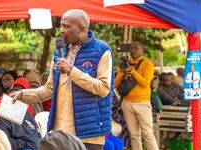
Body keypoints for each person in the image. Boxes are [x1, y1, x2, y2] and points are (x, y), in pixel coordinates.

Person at [11, 9, 114, 150]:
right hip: (60, 135)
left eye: (67, 26)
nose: (62, 30)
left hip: (89, 134)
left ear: (82, 29)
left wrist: (72, 70)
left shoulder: (101, 50)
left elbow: (103, 88)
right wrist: (23, 94)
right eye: (61, 25)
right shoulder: (60, 52)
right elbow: (49, 89)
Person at [115, 41, 158, 150]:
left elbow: (145, 83)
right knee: (134, 135)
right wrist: (122, 70)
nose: (133, 50)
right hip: (126, 103)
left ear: (142, 50)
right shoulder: (127, 63)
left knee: (147, 134)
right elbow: (115, 84)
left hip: (142, 103)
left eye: (136, 48)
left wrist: (132, 71)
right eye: (131, 48)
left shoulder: (147, 63)